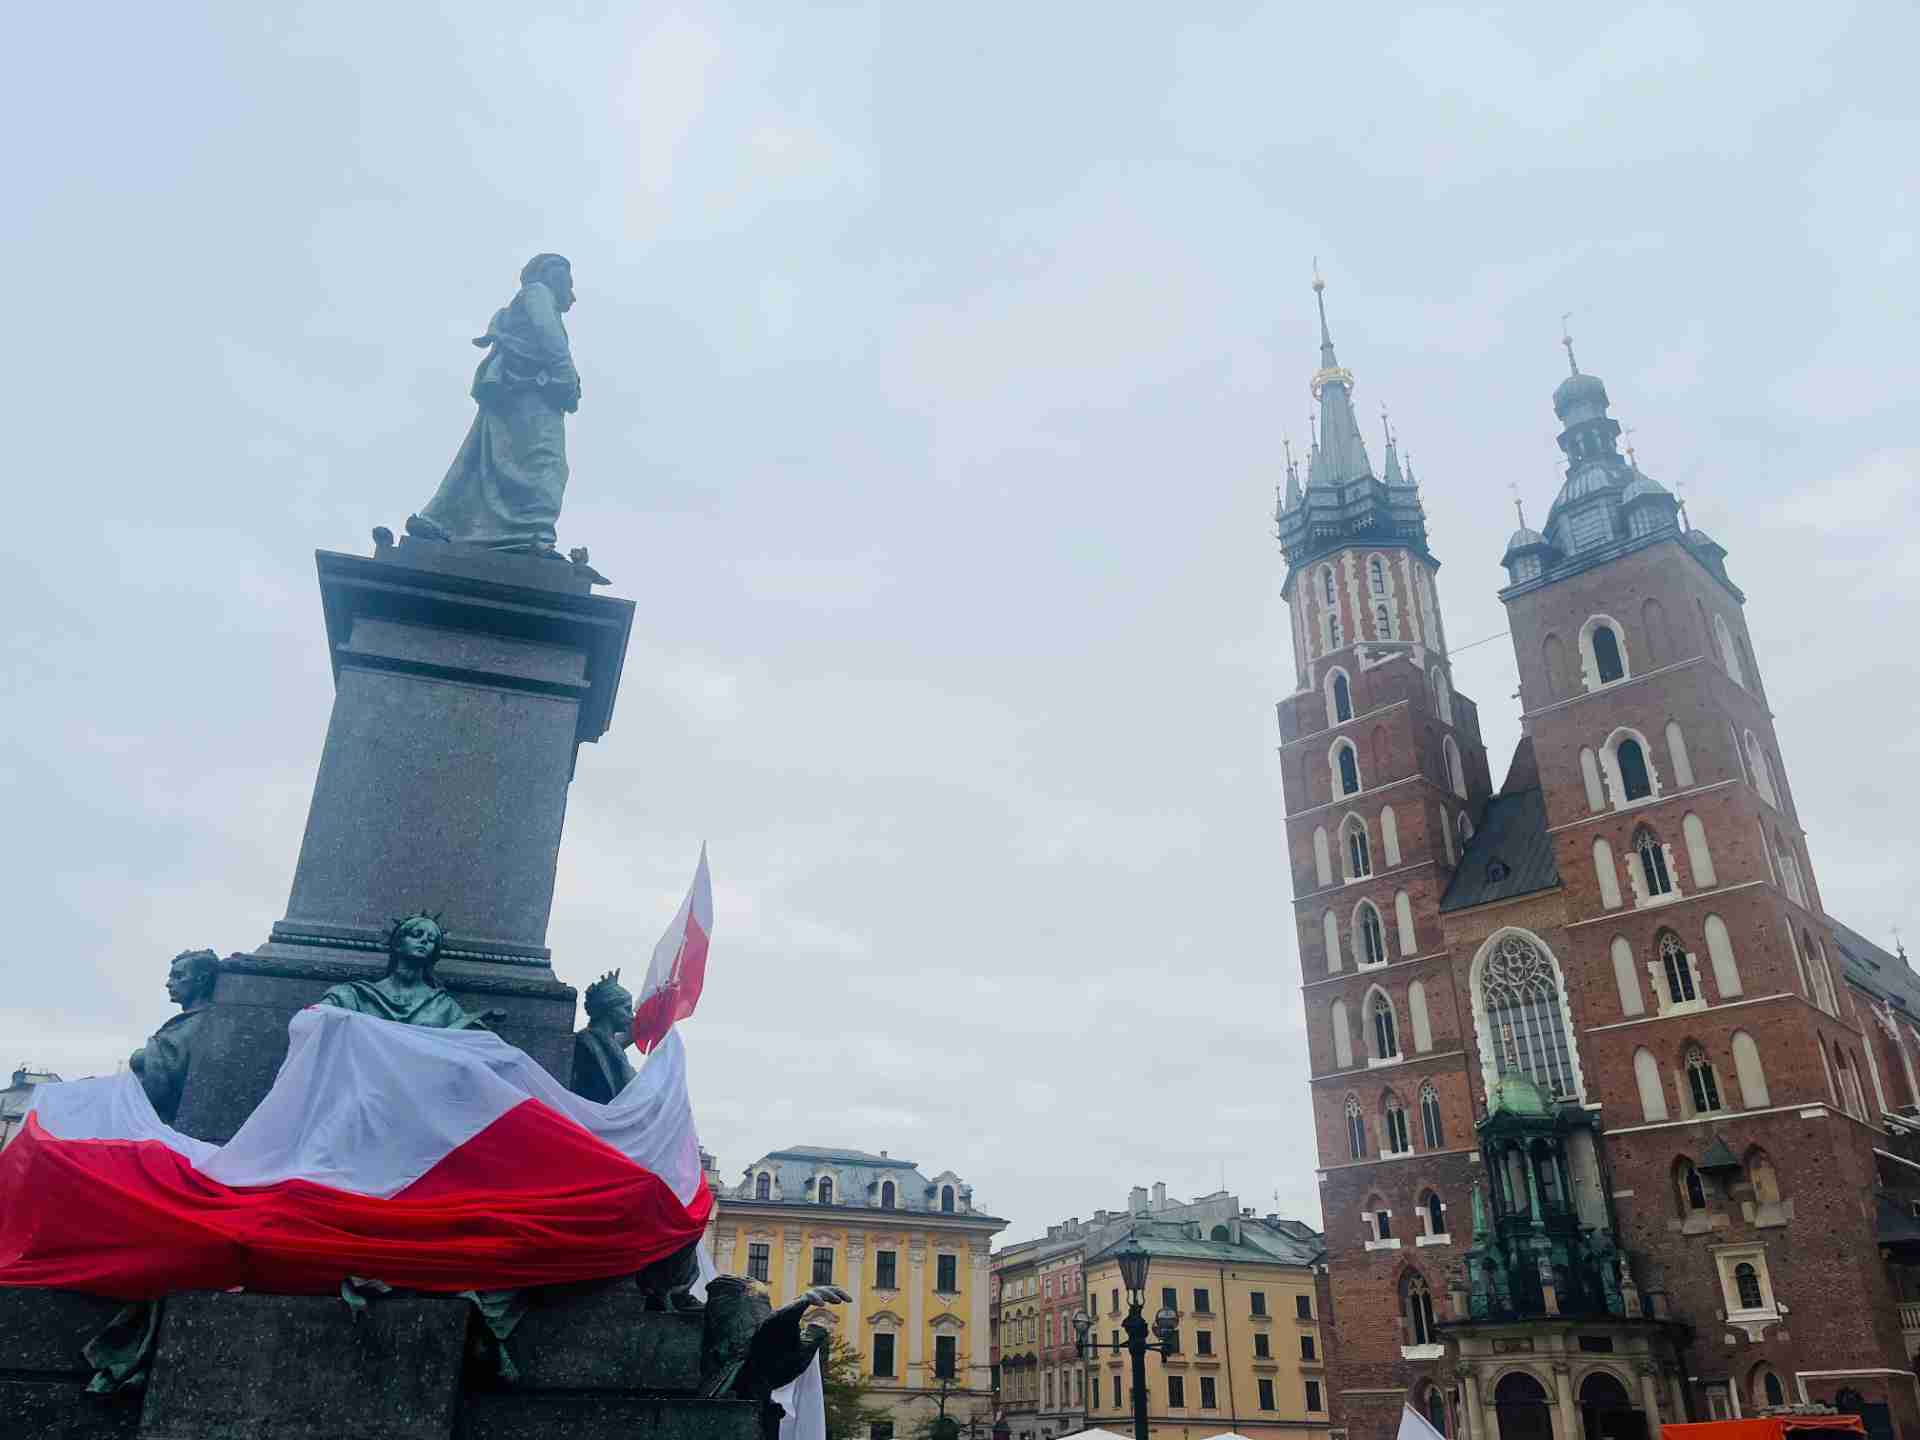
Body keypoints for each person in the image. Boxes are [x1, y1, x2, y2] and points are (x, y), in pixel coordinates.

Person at [407, 254, 582, 556]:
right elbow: (550, 338)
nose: (572, 292)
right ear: (551, 275)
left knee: (482, 461)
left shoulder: (535, 299)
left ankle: (441, 521)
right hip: (531, 395)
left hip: (519, 392)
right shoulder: (538, 293)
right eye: (568, 280)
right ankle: (535, 535)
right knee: (547, 463)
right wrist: (567, 377)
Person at [318, 913, 490, 1029]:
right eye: (416, 934)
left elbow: (479, 1045)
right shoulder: (354, 996)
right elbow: (316, 1021)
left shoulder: (444, 1006)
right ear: (397, 944)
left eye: (431, 939)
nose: (424, 940)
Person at [129, 948, 219, 1124]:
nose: (169, 984)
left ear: (201, 979)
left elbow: (157, 1087)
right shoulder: (188, 1021)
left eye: (178, 976)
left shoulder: (201, 1022)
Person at [569, 969, 638, 1103]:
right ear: (610, 1009)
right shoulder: (586, 1044)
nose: (631, 1017)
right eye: (627, 1009)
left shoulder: (612, 1047)